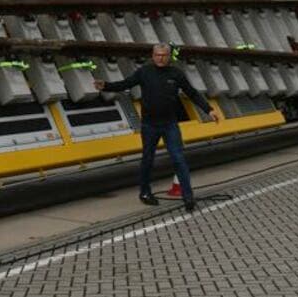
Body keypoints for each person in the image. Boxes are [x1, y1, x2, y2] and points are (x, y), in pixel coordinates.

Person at [94, 43, 220, 211]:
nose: (160, 58)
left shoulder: (176, 74)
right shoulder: (144, 72)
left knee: (178, 159)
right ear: (152, 56)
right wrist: (106, 86)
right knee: (147, 159)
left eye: (164, 55)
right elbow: (126, 84)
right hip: (149, 125)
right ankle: (145, 192)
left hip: (169, 125)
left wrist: (209, 110)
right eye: (157, 55)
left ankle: (188, 197)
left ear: (169, 56)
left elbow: (192, 93)